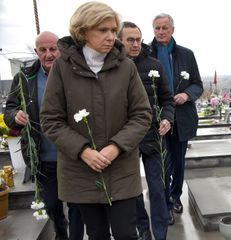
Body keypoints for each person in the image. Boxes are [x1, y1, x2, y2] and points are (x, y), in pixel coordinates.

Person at [40, 2, 152, 240]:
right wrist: (82, 150)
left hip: (120, 167)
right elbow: (51, 119)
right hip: (82, 170)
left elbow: (142, 114)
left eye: (113, 30)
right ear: (83, 31)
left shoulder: (126, 67)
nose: (111, 36)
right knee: (97, 234)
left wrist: (115, 147)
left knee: (126, 233)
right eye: (103, 30)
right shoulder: (62, 67)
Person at [4, 31, 84, 240]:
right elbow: (10, 109)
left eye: (53, 49)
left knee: (77, 204)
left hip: (73, 154)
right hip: (43, 156)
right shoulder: (24, 78)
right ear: (36, 51)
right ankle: (60, 230)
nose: (48, 54)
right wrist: (15, 115)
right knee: (51, 203)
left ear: (60, 49)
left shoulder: (74, 72)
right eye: (43, 50)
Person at [119, 21, 174, 240]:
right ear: (120, 41)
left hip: (152, 137)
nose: (135, 44)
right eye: (130, 40)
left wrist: (168, 119)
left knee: (157, 189)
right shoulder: (113, 67)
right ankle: (143, 228)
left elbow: (167, 99)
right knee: (132, 191)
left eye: (138, 39)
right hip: (125, 140)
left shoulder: (154, 65)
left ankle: (160, 234)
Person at [150, 13, 203, 225]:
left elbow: (197, 83)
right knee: (163, 162)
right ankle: (165, 204)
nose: (161, 32)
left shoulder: (186, 55)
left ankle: (175, 195)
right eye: (157, 28)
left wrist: (187, 94)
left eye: (164, 28)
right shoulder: (145, 53)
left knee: (178, 162)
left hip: (181, 118)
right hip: (157, 119)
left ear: (172, 29)